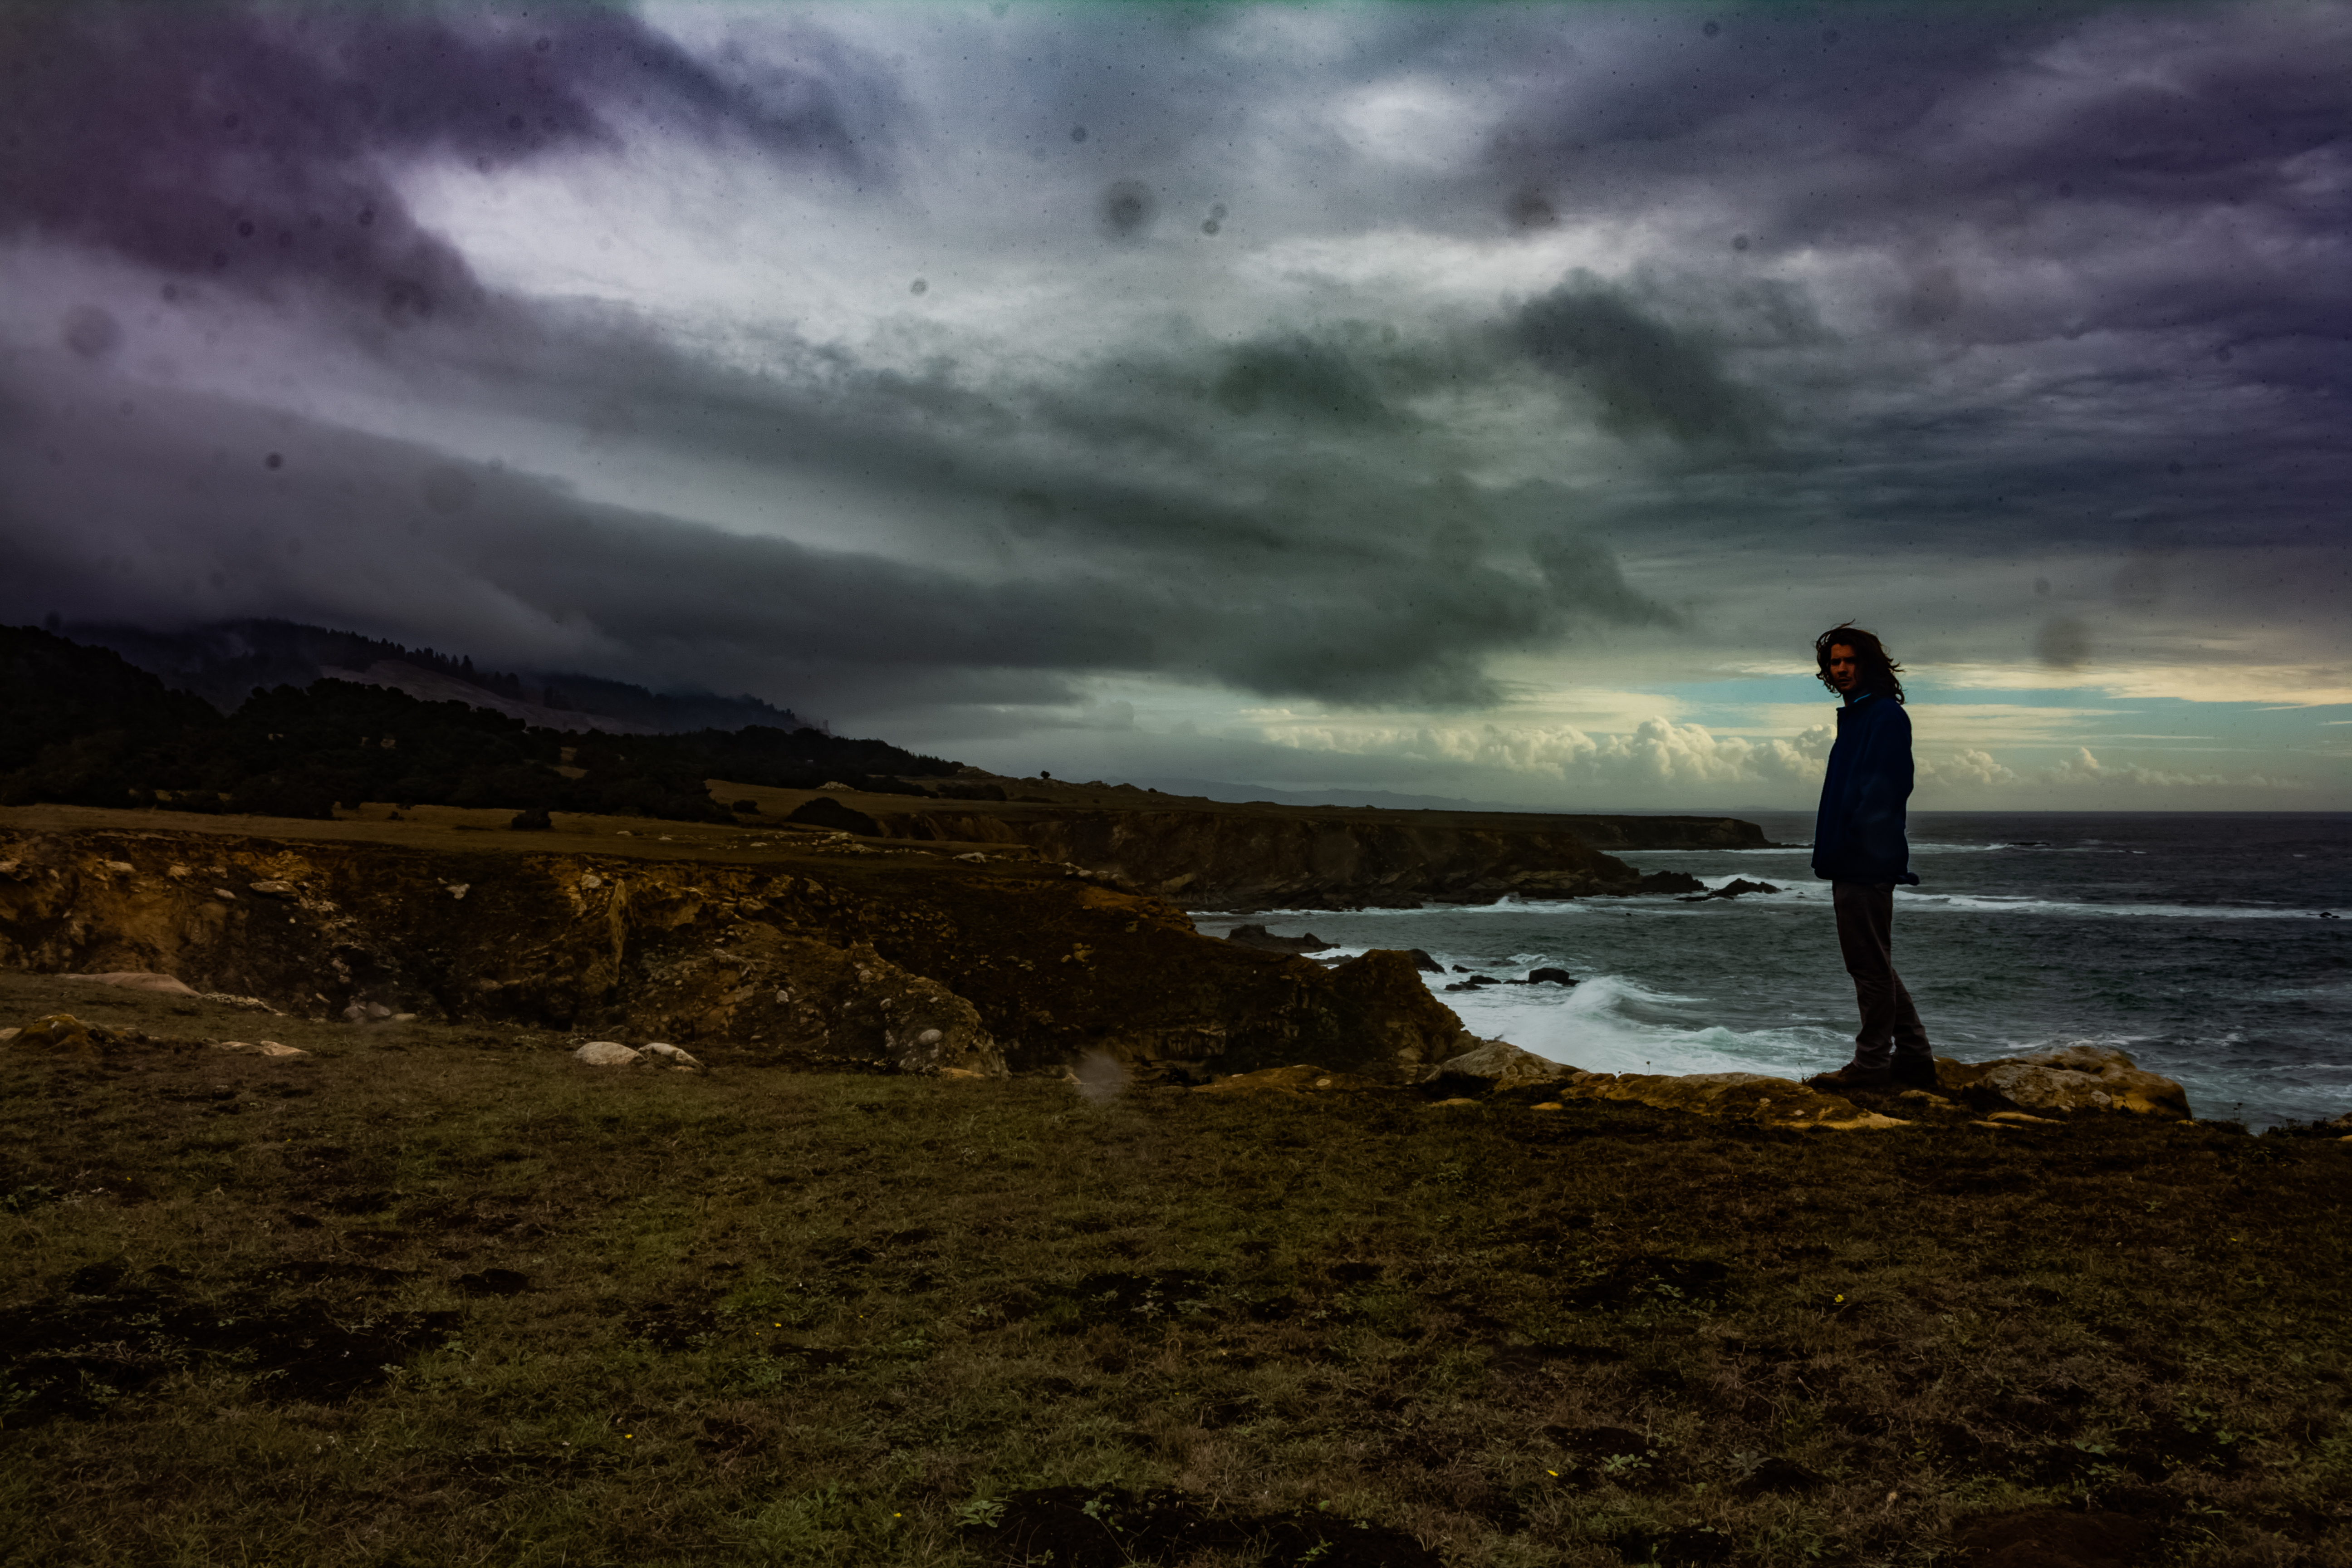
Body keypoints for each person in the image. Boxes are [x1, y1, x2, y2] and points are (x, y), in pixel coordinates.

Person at [1804, 624, 1935, 1091]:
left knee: (1869, 967)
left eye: (1848, 661)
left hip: (1864, 861)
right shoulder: (1860, 716)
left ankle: (1872, 1065)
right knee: (1874, 963)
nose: (1840, 670)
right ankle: (1916, 1059)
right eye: (1834, 663)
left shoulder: (1883, 717)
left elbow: (1887, 788)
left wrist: (1857, 843)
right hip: (1854, 859)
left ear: (1868, 664)